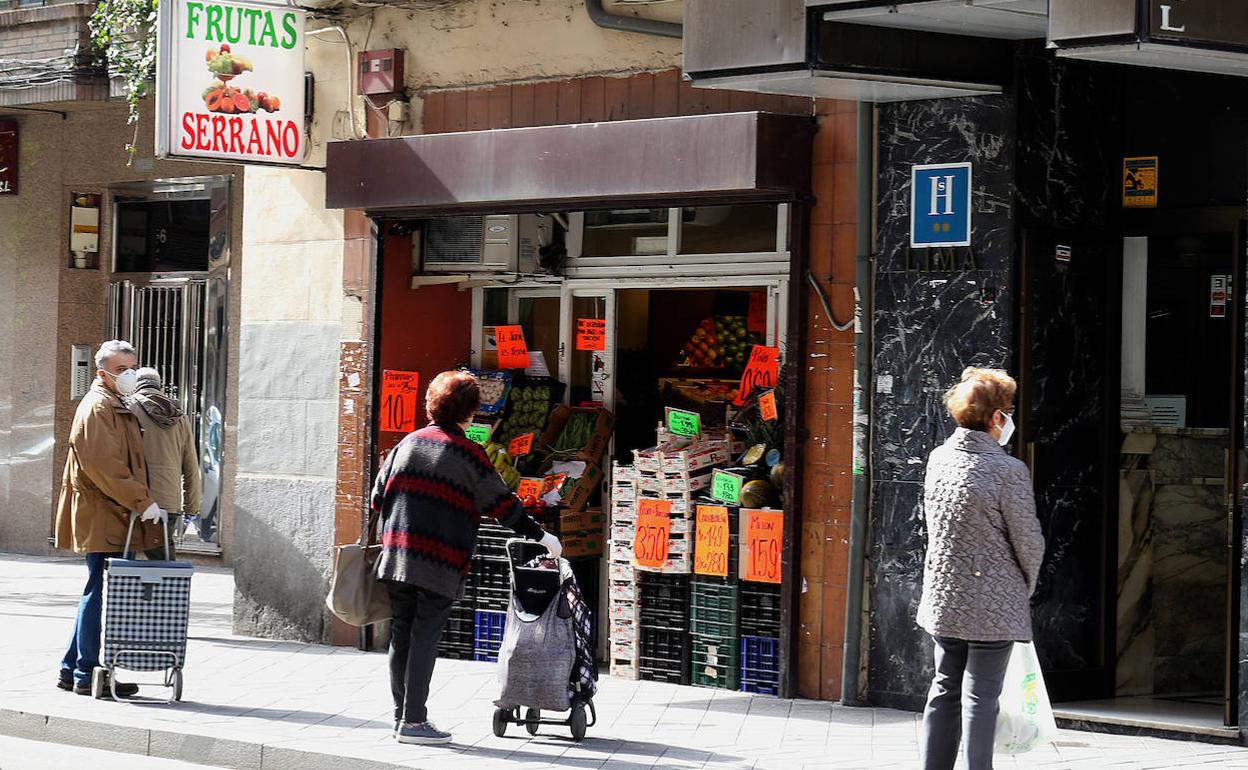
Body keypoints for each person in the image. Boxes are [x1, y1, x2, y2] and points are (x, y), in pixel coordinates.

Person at [371, 370, 561, 746]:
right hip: (438, 560)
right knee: (424, 634)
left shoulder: (407, 444)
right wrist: (542, 537)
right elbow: (502, 505)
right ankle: (414, 721)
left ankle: (400, 717)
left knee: (402, 634)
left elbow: (377, 497)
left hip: (396, 554)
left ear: (433, 405)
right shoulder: (468, 454)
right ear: (470, 413)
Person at [917, 367, 1045, 770]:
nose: (1009, 418)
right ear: (995, 418)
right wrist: (1024, 585)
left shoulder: (939, 459)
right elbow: (1028, 540)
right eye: (1007, 410)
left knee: (945, 688)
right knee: (981, 695)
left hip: (945, 595)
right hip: (993, 600)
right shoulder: (1009, 471)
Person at [54, 340, 167, 697]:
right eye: (122, 370)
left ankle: (72, 668)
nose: (130, 375)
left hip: (112, 511)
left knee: (96, 588)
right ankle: (87, 672)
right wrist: (142, 500)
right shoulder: (98, 407)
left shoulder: (115, 403)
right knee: (99, 590)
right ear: (102, 372)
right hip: (105, 512)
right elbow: (106, 467)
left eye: (133, 367)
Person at [127, 367, 201, 561]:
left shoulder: (128, 409)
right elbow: (191, 466)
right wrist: (191, 507)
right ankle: (162, 591)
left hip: (132, 497)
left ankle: (128, 591)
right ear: (159, 386)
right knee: (163, 560)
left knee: (124, 560)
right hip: (168, 501)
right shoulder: (180, 417)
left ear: (135, 385)